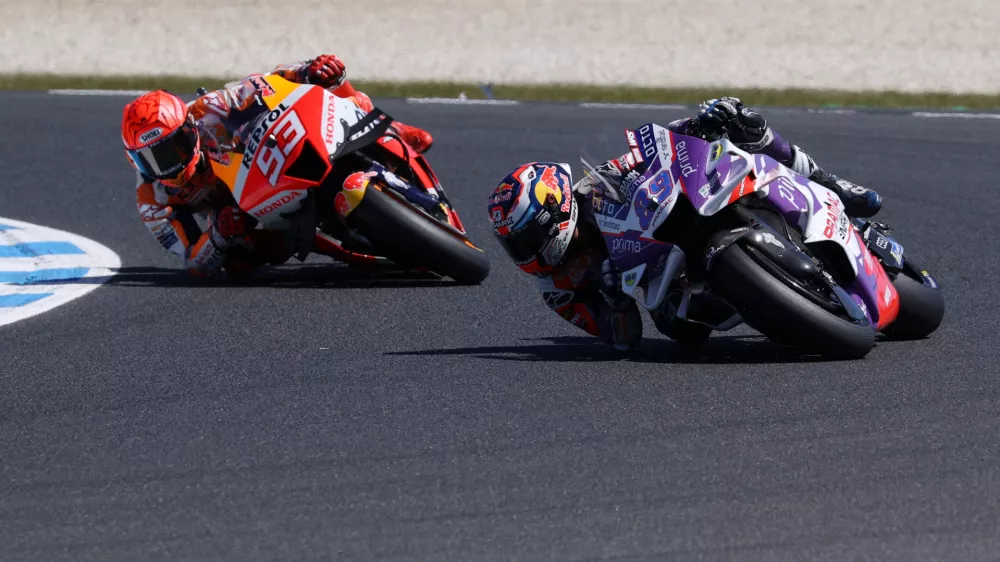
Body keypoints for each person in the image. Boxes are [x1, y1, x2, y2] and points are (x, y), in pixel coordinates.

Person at [486, 97, 884, 350]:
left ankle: (831, 185)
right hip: (668, 284)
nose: (526, 253)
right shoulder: (558, 287)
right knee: (681, 331)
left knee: (742, 125)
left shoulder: (596, 184)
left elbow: (654, 148)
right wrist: (613, 300)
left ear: (554, 210)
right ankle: (768, 303)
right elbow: (622, 338)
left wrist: (700, 122)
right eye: (514, 245)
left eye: (527, 238)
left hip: (685, 211)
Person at [121, 54, 434, 278]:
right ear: (132, 159)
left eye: (171, 150)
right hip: (239, 209)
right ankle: (329, 245)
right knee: (238, 264)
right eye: (149, 159)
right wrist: (217, 235)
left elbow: (265, 83)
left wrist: (308, 70)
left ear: (189, 131)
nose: (168, 166)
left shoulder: (208, 110)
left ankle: (392, 129)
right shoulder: (152, 200)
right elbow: (192, 259)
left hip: (261, 161)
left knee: (329, 85)